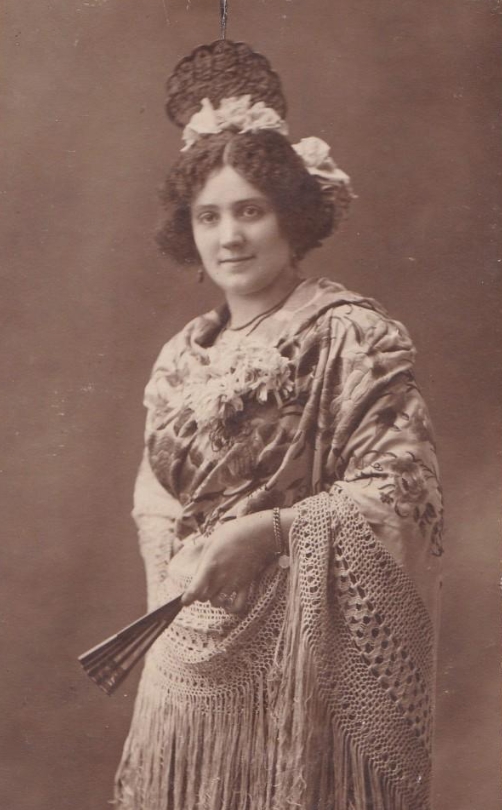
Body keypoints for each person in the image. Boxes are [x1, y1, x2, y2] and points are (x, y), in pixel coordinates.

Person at [114, 40, 443, 810]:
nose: (229, 236)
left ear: (291, 217)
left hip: (304, 671)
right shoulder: (178, 358)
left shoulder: (352, 338)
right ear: (188, 229)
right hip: (186, 664)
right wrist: (184, 556)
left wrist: (270, 533)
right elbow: (154, 497)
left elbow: (403, 491)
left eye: (250, 211)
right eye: (209, 216)